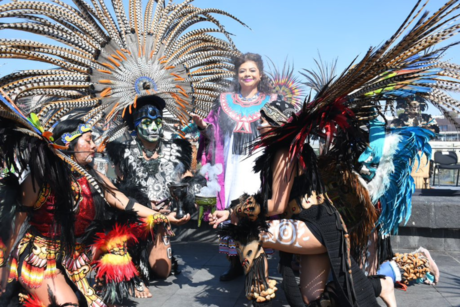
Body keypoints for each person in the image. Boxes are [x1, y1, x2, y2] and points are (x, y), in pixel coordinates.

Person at [209, 100, 395, 307]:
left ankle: (259, 295)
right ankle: (381, 285)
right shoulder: (287, 150)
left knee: (249, 232)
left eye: (263, 120)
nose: (259, 124)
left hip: (315, 226)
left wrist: (239, 213)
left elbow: (276, 206)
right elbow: (266, 197)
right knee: (312, 299)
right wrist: (229, 211)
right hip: (324, 225)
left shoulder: (284, 153)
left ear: (277, 124)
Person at [0, 118, 178, 306]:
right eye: (88, 140)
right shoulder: (42, 178)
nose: (95, 146)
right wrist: (3, 266)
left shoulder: (91, 175)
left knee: (116, 239)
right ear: (69, 144)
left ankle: (110, 289)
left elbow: (123, 201)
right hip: (41, 257)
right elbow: (15, 222)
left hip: (75, 252)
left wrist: (163, 216)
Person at [193, 52, 278, 281]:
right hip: (230, 164)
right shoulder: (223, 102)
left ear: (260, 75)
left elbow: (281, 131)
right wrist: (203, 127)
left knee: (254, 207)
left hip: (256, 164)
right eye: (242, 71)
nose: (247, 74)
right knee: (230, 208)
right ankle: (234, 263)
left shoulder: (272, 101)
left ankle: (258, 262)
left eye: (252, 70)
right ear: (237, 74)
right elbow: (213, 134)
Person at [106, 94, 194, 298]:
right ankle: (133, 261)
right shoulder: (123, 151)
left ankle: (158, 245)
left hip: (164, 220)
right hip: (135, 218)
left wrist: (187, 198)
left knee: (162, 272)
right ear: (136, 125)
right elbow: (118, 188)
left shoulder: (176, 149)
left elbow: (186, 178)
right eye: (147, 122)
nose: (154, 128)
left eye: (157, 122)